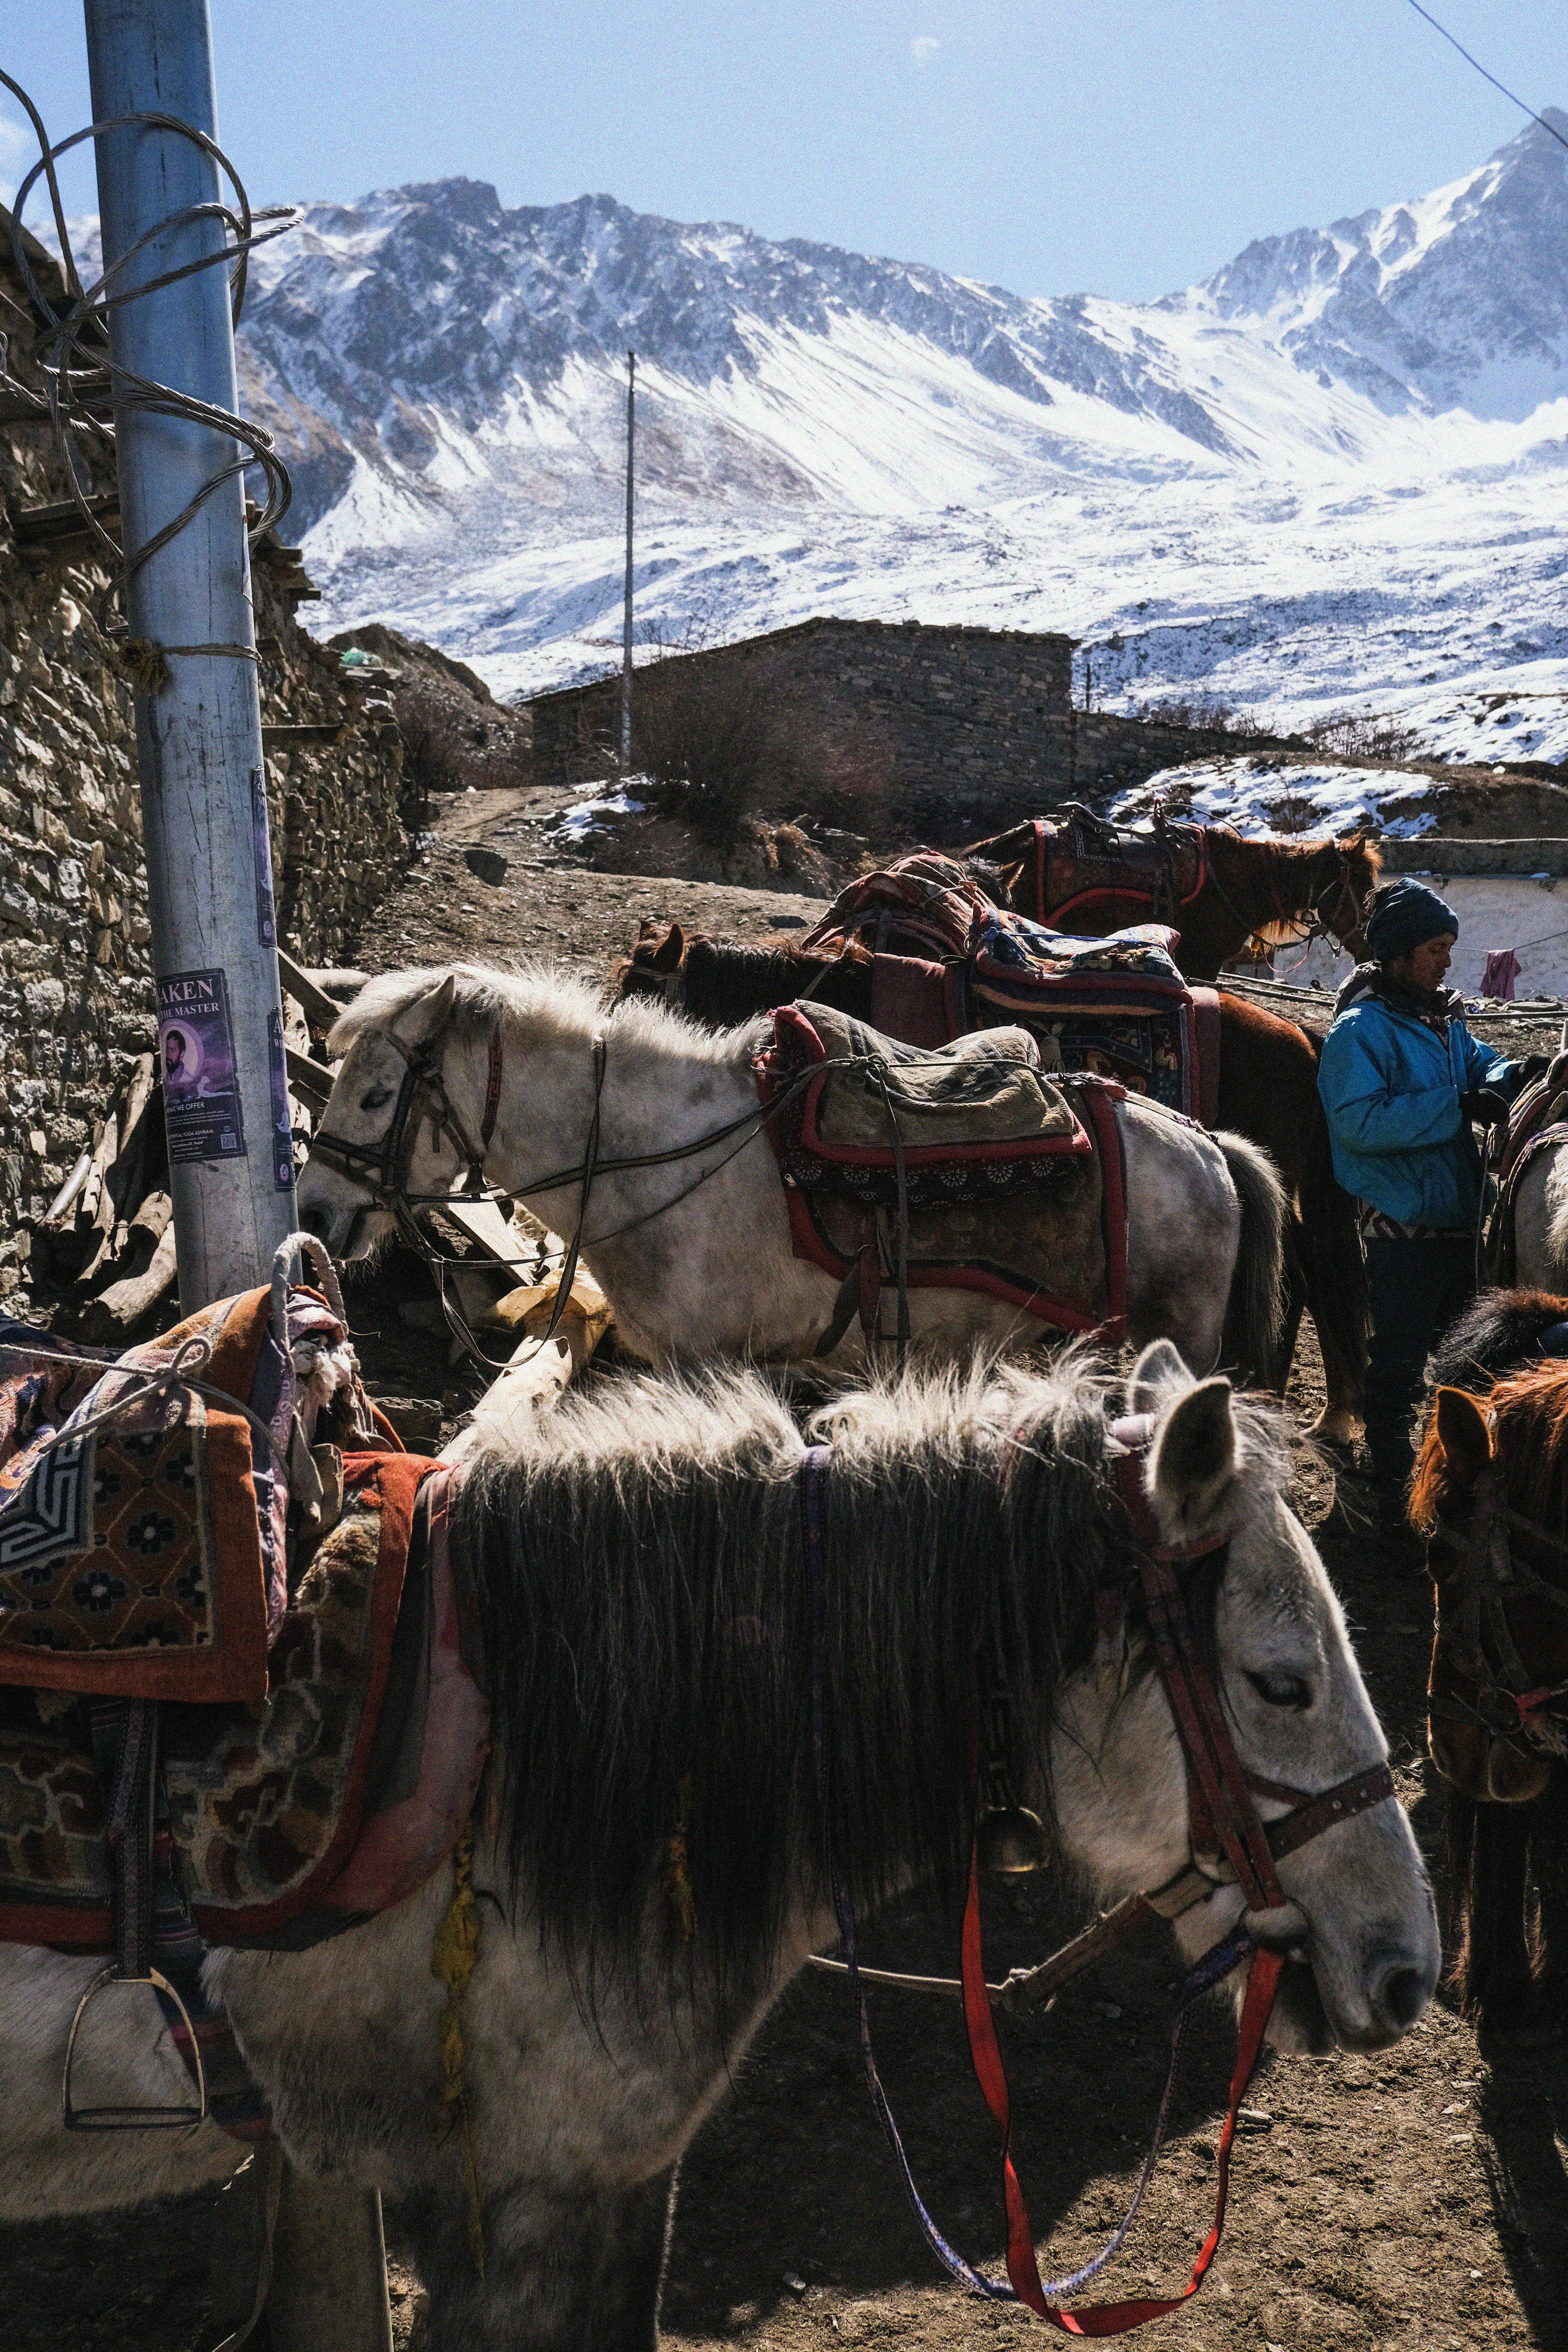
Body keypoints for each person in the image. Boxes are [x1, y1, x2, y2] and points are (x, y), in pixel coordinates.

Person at [1317, 879, 1534, 1556]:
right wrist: (1457, 1106)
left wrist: (1508, 1078)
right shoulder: (1362, 1031)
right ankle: (1388, 1493)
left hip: (1462, 1227)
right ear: (1400, 952)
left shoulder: (1442, 1023)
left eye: (1450, 948)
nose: (1447, 961)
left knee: (1470, 1369)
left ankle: (1456, 1490)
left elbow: (1483, 1067)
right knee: (1399, 1371)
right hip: (1402, 1233)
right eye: (1436, 949)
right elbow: (1358, 1123)